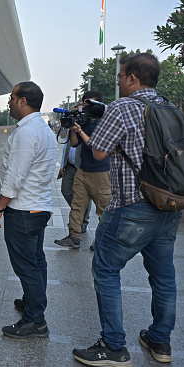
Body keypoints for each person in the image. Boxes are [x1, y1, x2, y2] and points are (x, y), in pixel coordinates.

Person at [73, 53, 183, 367]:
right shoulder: (170, 108)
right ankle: (160, 341)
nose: (119, 82)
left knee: (106, 269)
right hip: (170, 206)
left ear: (133, 78)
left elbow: (98, 150)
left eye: (121, 76)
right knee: (164, 276)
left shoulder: (124, 107)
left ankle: (113, 346)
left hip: (133, 207)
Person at [0, 81, 57, 338]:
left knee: (27, 265)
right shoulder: (44, 129)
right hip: (38, 207)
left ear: (23, 101)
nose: (8, 102)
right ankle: (33, 303)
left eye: (11, 97)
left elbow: (14, 177)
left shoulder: (26, 133)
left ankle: (35, 320)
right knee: (37, 261)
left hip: (23, 210)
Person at [55, 91, 110, 251]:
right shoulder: (84, 122)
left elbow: (95, 146)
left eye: (90, 104)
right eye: (85, 103)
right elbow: (74, 143)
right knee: (77, 206)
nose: (86, 107)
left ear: (99, 106)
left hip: (100, 172)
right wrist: (73, 128)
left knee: (102, 210)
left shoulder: (104, 123)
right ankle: (74, 236)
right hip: (83, 170)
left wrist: (80, 130)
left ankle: (102, 241)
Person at [57, 105, 91, 234]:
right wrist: (62, 166)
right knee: (65, 190)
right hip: (70, 165)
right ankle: (78, 215)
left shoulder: (87, 127)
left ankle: (82, 221)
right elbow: (66, 148)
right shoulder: (72, 128)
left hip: (82, 166)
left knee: (83, 195)